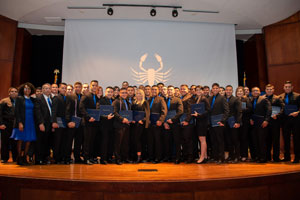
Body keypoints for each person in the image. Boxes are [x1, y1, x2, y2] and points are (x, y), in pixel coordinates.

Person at [11, 83, 37, 165]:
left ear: (31, 90)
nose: (27, 90)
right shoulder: (19, 98)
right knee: (20, 140)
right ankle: (19, 158)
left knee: (28, 140)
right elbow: (17, 112)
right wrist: (20, 123)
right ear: (22, 89)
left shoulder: (33, 99)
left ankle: (25, 157)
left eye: (29, 89)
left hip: (31, 122)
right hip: (22, 122)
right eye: (25, 88)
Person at [79, 80, 100, 165]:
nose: (94, 87)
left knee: (92, 141)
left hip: (94, 122)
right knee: (87, 141)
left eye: (96, 86)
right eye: (93, 85)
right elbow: (81, 108)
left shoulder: (96, 97)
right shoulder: (86, 96)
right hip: (87, 122)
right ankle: (85, 158)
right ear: (90, 86)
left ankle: (90, 157)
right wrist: (88, 117)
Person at [279, 81, 300, 163]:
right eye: (286, 87)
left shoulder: (298, 96)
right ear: (283, 87)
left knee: (296, 139)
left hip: (296, 121)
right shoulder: (280, 97)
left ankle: (297, 157)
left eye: (289, 87)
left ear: (292, 87)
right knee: (286, 139)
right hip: (285, 121)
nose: (287, 88)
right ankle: (287, 156)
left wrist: (298, 112)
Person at [209, 83, 229, 164]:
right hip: (211, 123)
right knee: (213, 141)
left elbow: (226, 111)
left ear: (219, 89)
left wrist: (222, 121)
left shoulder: (222, 98)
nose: (215, 89)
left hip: (219, 123)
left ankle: (221, 158)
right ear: (212, 89)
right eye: (214, 88)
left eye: (217, 88)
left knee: (220, 141)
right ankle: (215, 157)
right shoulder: (210, 98)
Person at [250, 87, 271, 163]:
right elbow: (250, 112)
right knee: (255, 141)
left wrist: (266, 120)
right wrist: (250, 119)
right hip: (254, 124)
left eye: (257, 90)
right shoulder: (251, 100)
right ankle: (258, 156)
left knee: (261, 141)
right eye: (253, 91)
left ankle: (263, 158)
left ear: (259, 92)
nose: (255, 92)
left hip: (262, 123)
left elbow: (269, 110)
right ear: (251, 92)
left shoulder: (264, 99)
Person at [264, 84, 285, 162]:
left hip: (275, 122)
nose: (269, 90)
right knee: (267, 140)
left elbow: (283, 108)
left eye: (271, 89)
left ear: (273, 90)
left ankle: (276, 157)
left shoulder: (278, 98)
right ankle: (268, 157)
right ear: (265, 90)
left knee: (276, 140)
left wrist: (278, 115)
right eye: (267, 89)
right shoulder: (262, 98)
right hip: (266, 122)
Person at [163, 85, 183, 164]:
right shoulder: (164, 100)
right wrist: (165, 122)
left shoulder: (178, 100)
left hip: (175, 124)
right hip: (166, 124)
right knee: (168, 141)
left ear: (174, 91)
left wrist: (172, 120)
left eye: (171, 90)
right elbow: (163, 112)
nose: (169, 91)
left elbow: (180, 111)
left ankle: (177, 157)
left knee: (177, 141)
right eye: (168, 90)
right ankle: (169, 157)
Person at [147, 85, 167, 163]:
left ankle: (158, 158)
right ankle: (150, 157)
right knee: (150, 141)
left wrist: (161, 120)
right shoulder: (149, 100)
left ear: (158, 91)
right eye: (153, 90)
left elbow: (164, 111)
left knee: (158, 142)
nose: (154, 91)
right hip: (150, 124)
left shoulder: (161, 99)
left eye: (155, 90)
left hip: (157, 123)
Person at [65, 81, 84, 163]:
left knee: (78, 141)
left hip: (80, 123)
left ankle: (77, 158)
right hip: (72, 122)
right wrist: (68, 121)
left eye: (79, 87)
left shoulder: (83, 96)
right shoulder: (70, 96)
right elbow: (67, 110)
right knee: (69, 141)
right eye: (76, 87)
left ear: (81, 88)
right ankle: (67, 158)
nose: (78, 88)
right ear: (74, 88)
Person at [112, 88, 132, 165]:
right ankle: (117, 159)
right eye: (122, 93)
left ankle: (125, 158)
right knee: (118, 143)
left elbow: (129, 113)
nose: (124, 94)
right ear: (119, 93)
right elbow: (114, 112)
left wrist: (130, 119)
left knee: (125, 143)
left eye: (125, 93)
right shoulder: (116, 102)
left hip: (126, 125)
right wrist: (122, 119)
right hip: (119, 125)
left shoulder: (128, 102)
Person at [35, 83, 53, 165]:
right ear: (42, 90)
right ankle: (39, 159)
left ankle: (45, 158)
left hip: (49, 124)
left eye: (49, 88)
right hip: (42, 124)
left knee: (47, 142)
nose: (48, 90)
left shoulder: (52, 98)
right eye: (45, 88)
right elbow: (37, 112)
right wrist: (40, 123)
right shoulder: (39, 98)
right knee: (40, 142)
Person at [191, 86, 210, 164]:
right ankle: (205, 156)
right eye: (197, 90)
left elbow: (208, 110)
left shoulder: (204, 99)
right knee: (201, 139)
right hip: (198, 122)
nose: (198, 91)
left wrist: (199, 115)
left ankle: (201, 157)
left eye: (200, 90)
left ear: (202, 91)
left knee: (202, 140)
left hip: (203, 122)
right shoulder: (196, 99)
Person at [131, 89, 150, 163]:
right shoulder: (133, 103)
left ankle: (140, 156)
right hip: (134, 124)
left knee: (139, 140)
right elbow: (131, 113)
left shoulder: (145, 102)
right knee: (134, 140)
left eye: (140, 93)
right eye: (137, 93)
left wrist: (142, 120)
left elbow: (147, 114)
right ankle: (135, 156)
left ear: (142, 95)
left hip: (141, 125)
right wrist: (132, 119)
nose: (138, 95)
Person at [224, 85, 242, 163]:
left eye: (230, 90)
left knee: (235, 140)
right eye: (227, 90)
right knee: (228, 140)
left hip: (234, 122)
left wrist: (238, 122)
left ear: (232, 91)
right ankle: (231, 156)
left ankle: (237, 157)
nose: (228, 91)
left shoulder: (236, 99)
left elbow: (239, 112)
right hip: (226, 123)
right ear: (225, 91)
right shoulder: (223, 99)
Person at [0, 87, 18, 163]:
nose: (14, 93)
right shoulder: (4, 101)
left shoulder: (19, 101)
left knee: (15, 142)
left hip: (15, 125)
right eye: (12, 91)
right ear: (9, 93)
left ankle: (15, 158)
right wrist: (1, 124)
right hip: (6, 124)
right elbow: (0, 114)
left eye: (15, 91)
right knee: (5, 142)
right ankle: (4, 158)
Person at [51, 83, 68, 164]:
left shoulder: (67, 98)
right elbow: (53, 111)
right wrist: (53, 122)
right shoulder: (56, 98)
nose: (64, 89)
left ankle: (61, 157)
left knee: (63, 141)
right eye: (62, 88)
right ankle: (56, 158)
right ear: (59, 89)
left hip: (65, 122)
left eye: (65, 88)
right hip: (58, 122)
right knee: (57, 141)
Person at [98, 87, 115, 164]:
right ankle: (103, 159)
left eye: (111, 92)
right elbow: (99, 112)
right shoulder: (101, 100)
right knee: (104, 142)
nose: (110, 93)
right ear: (105, 92)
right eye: (108, 92)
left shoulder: (114, 101)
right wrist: (106, 117)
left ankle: (109, 157)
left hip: (112, 125)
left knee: (111, 142)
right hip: (104, 125)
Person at [235, 86, 252, 162]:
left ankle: (244, 155)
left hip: (244, 122)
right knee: (237, 139)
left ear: (243, 92)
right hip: (236, 122)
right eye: (238, 91)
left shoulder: (246, 99)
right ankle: (238, 155)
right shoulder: (234, 100)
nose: (239, 93)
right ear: (236, 93)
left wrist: (241, 110)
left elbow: (250, 109)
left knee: (244, 139)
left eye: (241, 91)